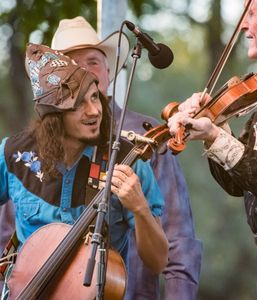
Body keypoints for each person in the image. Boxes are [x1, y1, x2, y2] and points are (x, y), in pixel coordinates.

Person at [48, 16, 202, 299]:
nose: (85, 73)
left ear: (108, 71)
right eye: (73, 65)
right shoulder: (36, 146)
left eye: (92, 62)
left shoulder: (145, 137)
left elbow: (179, 241)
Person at [0, 42, 168, 299]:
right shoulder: (13, 153)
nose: (94, 111)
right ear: (54, 117)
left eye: (94, 97)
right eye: (78, 104)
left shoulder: (126, 161)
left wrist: (140, 208)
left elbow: (157, 262)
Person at [168, 0, 257, 299]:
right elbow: (238, 182)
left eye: (251, 14)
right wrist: (215, 132)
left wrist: (215, 134)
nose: (243, 25)